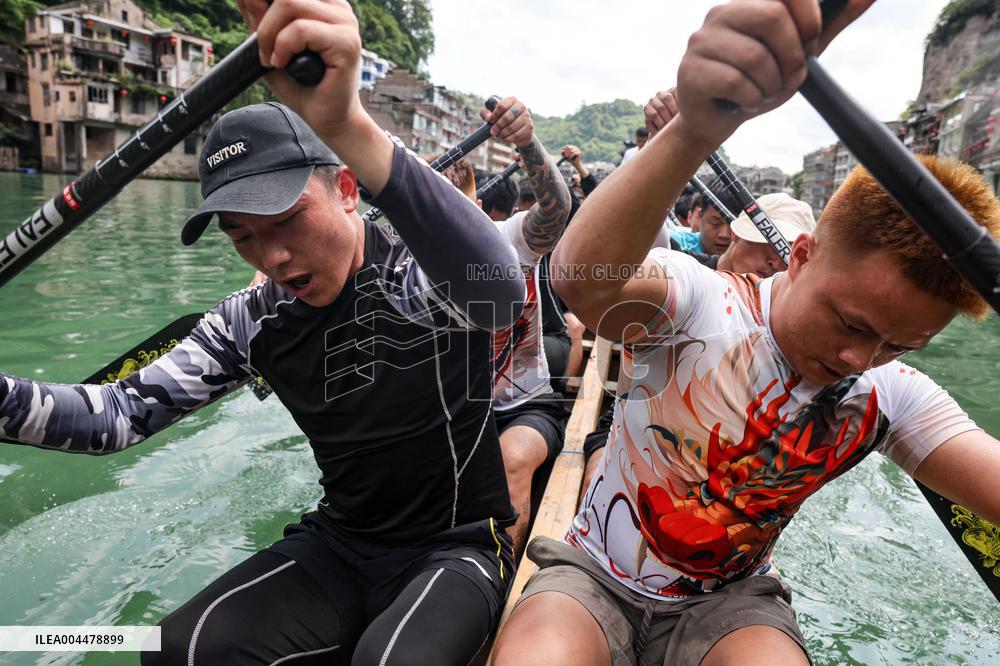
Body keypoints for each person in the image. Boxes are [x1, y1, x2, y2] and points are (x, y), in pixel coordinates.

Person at [0, 2, 532, 664]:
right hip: (341, 542)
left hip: (455, 545)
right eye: (242, 237)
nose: (271, 258)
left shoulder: (419, 273)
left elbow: (501, 295)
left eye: (285, 220)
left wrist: (344, 123)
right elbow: (117, 415)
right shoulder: (249, 320)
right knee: (175, 649)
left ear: (344, 186)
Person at [493, 3, 1000, 666]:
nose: (858, 360)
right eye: (852, 324)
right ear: (802, 254)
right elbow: (582, 281)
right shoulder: (703, 298)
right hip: (592, 576)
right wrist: (694, 130)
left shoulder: (889, 395)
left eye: (898, 346)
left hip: (731, 603)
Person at [578, 192, 817, 497]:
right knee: (596, 481)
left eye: (783, 252)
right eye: (765, 243)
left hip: (725, 457)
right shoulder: (680, 269)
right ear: (737, 233)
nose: (773, 260)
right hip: (633, 421)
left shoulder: (784, 329)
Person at [438, 96, 573, 556]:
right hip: (448, 412)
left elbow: (557, 205)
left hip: (524, 406)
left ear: (476, 205)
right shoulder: (402, 255)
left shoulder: (509, 239)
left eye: (459, 210)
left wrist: (528, 143)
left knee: (511, 459)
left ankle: (499, 575)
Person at [670, 176, 736, 254]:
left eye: (734, 226)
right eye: (715, 222)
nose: (724, 235)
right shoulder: (673, 244)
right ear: (700, 215)